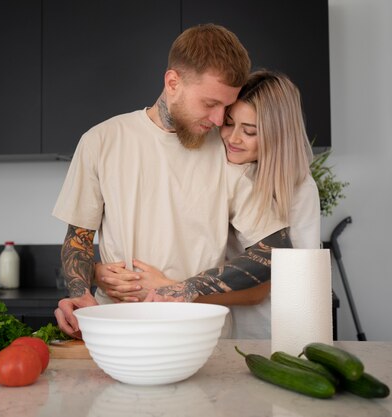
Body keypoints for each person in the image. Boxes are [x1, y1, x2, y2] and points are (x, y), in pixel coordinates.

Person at [52, 24, 292, 338]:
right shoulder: (101, 141)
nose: (220, 120)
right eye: (210, 104)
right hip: (118, 330)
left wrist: (183, 288)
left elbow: (275, 249)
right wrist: (80, 291)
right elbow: (78, 239)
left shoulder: (228, 153)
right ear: (173, 82)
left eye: (226, 106)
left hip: (202, 336)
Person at [98, 70, 320, 338]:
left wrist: (174, 288)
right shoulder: (224, 166)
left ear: (278, 135)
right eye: (228, 123)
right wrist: (100, 273)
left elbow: (261, 290)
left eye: (249, 131)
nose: (233, 138)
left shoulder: (298, 189)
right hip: (217, 325)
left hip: (270, 332)